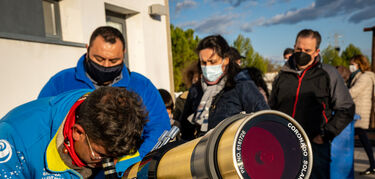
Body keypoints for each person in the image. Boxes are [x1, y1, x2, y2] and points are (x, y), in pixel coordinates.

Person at [37, 26, 171, 169]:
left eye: (113, 61)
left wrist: (132, 163)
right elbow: (40, 125)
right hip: (71, 170)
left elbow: (160, 128)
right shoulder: (61, 82)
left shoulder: (141, 86)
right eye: (99, 59)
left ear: (123, 54)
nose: (106, 65)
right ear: (87, 49)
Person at [0, 87, 147, 178]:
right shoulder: (13, 140)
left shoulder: (120, 129)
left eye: (117, 157)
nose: (109, 164)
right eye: (101, 156)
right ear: (78, 132)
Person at [269, 29, 355, 179]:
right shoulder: (282, 75)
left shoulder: (328, 74)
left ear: (316, 52)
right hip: (283, 143)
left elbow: (346, 108)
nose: (301, 53)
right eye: (298, 49)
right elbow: (272, 108)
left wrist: (325, 134)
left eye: (307, 50)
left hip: (314, 146)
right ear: (294, 46)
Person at [179, 35, 269, 140]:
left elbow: (264, 119)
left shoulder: (242, 86)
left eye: (212, 61)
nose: (207, 66)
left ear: (225, 60)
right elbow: (185, 127)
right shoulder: (196, 90)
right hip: (202, 150)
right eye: (203, 62)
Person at [347, 55, 375, 175]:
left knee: (361, 138)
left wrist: (341, 94)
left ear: (359, 64)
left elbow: (354, 91)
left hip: (360, 111)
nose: (351, 66)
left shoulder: (364, 77)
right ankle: (372, 164)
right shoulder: (359, 76)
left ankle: (372, 165)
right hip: (357, 111)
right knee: (362, 139)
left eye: (353, 64)